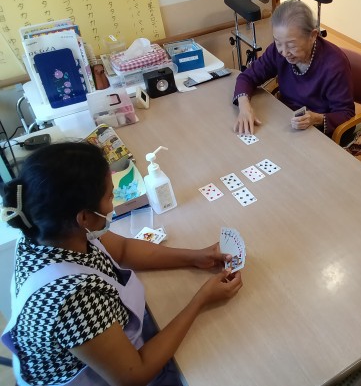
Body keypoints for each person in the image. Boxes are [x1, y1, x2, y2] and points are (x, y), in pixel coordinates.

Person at [0, 142, 243, 386]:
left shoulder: (51, 229)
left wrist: (195, 256)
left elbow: (124, 250)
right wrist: (200, 301)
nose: (113, 203)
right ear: (84, 217)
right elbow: (134, 375)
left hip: (110, 339)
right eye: (109, 196)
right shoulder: (74, 301)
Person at [232, 0, 355, 140]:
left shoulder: (334, 65)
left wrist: (316, 118)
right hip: (286, 118)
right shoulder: (277, 52)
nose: (284, 53)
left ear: (313, 36)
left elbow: (346, 114)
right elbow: (247, 77)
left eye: (291, 46)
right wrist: (244, 107)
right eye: (278, 42)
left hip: (318, 132)